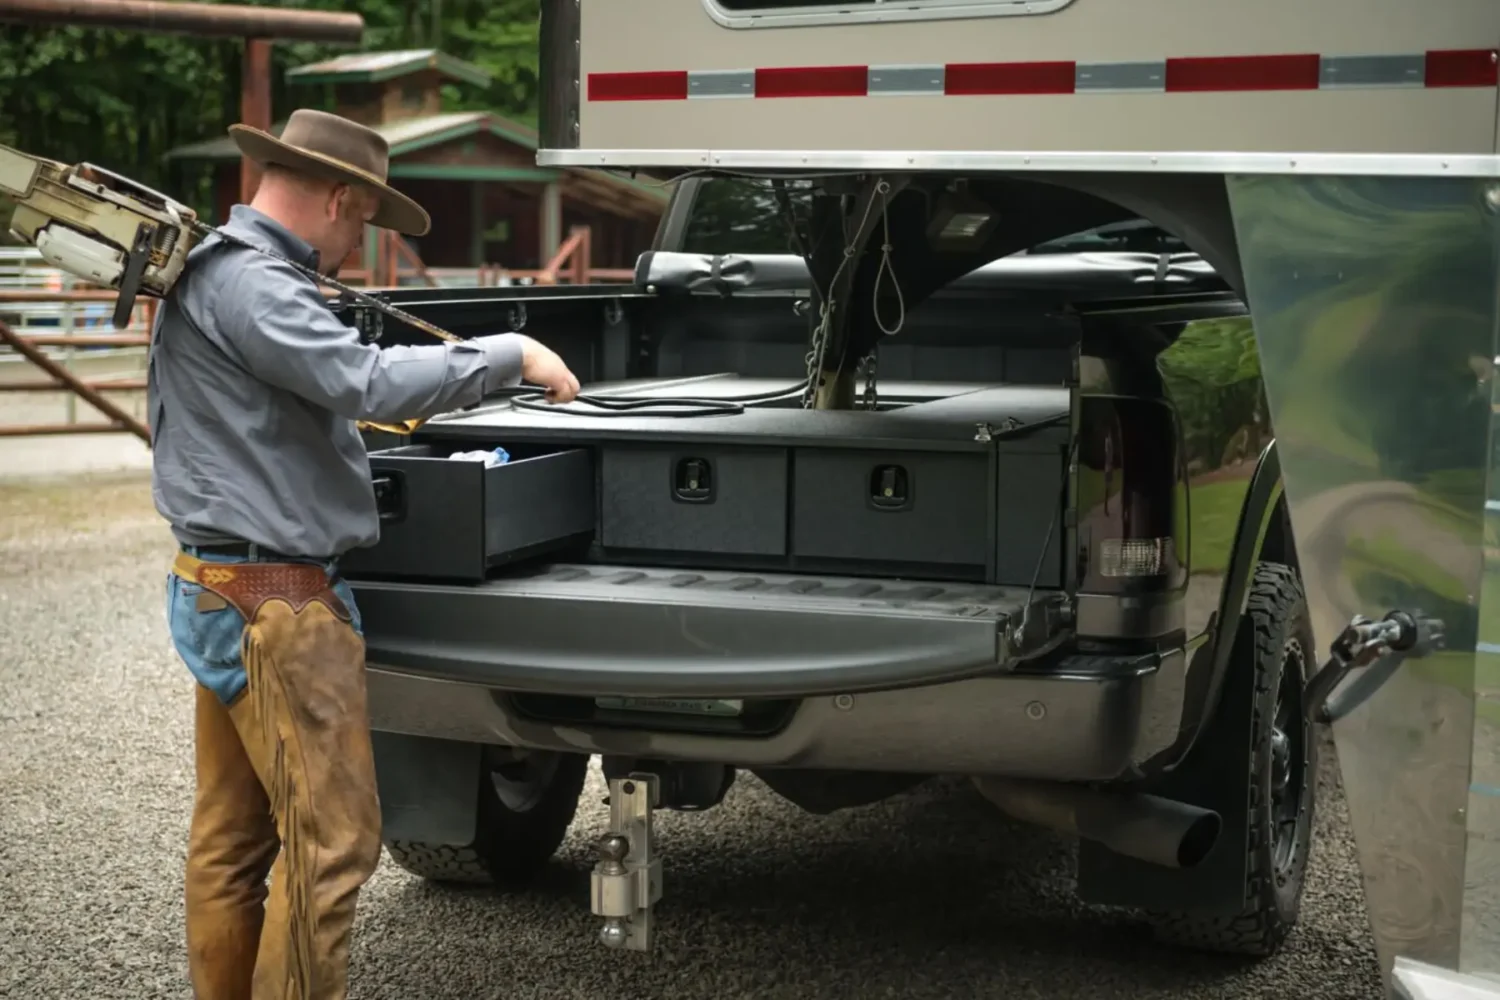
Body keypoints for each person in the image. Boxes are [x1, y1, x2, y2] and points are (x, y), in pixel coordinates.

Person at [147, 108, 580, 1000]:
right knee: (333, 842)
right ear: (341, 196)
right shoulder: (261, 285)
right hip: (277, 606)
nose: (355, 245)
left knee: (233, 840)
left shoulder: (213, 271)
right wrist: (510, 353)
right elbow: (367, 384)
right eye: (361, 223)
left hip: (222, 585)